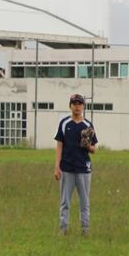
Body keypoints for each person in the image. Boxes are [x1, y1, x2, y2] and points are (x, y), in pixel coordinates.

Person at [54, 93, 98, 236]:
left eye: (80, 104)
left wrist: (87, 145)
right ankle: (63, 228)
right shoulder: (64, 123)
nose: (77, 106)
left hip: (83, 168)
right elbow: (59, 145)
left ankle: (85, 229)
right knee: (65, 201)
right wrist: (57, 166)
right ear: (70, 106)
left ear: (83, 106)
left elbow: (94, 150)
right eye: (75, 103)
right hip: (67, 167)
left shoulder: (88, 126)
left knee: (84, 202)